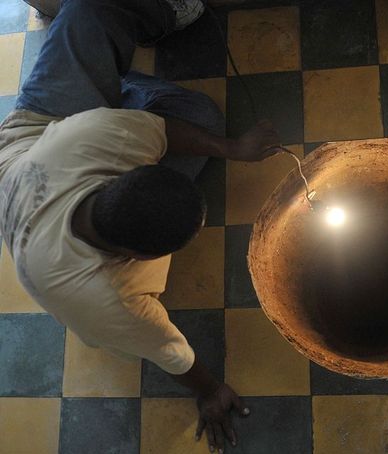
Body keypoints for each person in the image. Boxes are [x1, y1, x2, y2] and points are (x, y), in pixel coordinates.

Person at [0, 0, 281, 452]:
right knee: (202, 116)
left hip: (33, 136)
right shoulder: (107, 303)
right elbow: (172, 352)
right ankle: (115, 88)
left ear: (123, 174)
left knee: (87, 12)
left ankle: (118, 75)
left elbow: (163, 135)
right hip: (48, 152)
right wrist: (209, 390)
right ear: (141, 258)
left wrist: (234, 149)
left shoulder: (87, 140)